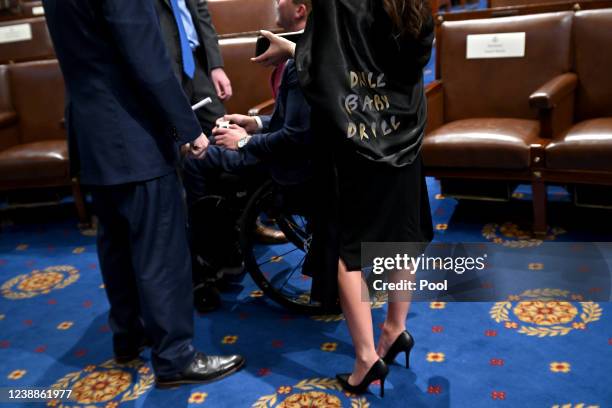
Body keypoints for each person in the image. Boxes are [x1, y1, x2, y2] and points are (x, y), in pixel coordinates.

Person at [42, 0, 244, 388]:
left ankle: (129, 335)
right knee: (160, 250)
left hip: (93, 134)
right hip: (133, 137)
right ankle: (175, 357)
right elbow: (148, 61)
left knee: (116, 241)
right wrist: (188, 128)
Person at [253, 0, 434, 397]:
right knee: (399, 240)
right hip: (405, 132)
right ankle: (395, 330)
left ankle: (366, 360)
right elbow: (398, 55)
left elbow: (328, 67)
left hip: (359, 141)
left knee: (348, 254)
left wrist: (292, 51)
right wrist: (295, 47)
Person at [182, 0, 312, 313]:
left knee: (194, 161)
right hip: (287, 152)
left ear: (300, 10)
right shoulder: (311, 54)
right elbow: (292, 124)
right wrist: (253, 124)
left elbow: (296, 137)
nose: (275, 3)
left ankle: (211, 260)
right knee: (214, 147)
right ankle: (226, 249)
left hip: (290, 166)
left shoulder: (299, 64)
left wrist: (244, 142)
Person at [154, 0, 232, 134]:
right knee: (177, 133)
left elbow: (202, 13)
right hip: (165, 65)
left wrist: (215, 66)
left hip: (194, 61)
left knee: (222, 127)